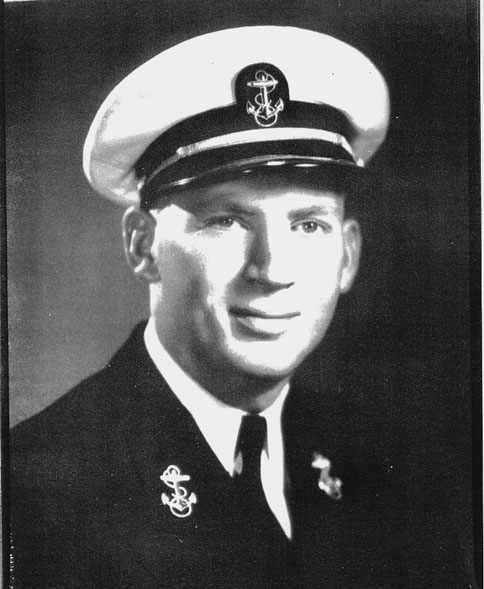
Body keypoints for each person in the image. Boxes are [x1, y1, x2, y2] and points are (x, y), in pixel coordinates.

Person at [10, 26, 476, 588]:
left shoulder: (404, 479)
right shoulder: (34, 493)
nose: (273, 271)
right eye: (226, 221)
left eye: (309, 224)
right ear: (142, 245)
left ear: (348, 256)